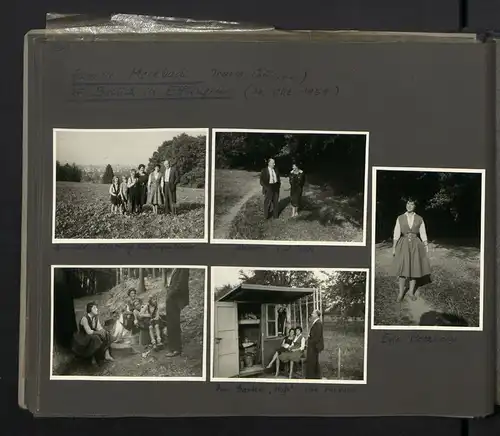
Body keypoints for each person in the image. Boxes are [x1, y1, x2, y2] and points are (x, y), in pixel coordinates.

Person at [392, 199, 431, 302]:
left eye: (412, 204)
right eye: (408, 203)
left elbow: (423, 232)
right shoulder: (400, 218)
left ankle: (410, 292)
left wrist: (426, 244)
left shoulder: (419, 218)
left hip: (416, 244)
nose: (409, 206)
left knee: (414, 268)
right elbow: (396, 232)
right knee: (402, 268)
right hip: (403, 244)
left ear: (415, 206)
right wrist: (394, 247)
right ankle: (401, 293)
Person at [165, 268, 190, 357]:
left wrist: (170, 293)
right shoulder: (175, 269)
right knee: (170, 324)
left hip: (175, 299)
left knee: (174, 324)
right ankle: (172, 348)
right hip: (171, 299)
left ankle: (176, 349)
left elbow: (181, 285)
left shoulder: (183, 268)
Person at [306, 310, 324, 379]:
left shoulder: (318, 323)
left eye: (313, 313)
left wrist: (309, 340)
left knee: (312, 361)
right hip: (313, 345)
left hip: (314, 346)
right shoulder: (316, 322)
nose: (311, 314)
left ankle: (312, 377)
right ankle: (315, 376)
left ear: (316, 315)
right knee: (313, 361)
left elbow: (317, 337)